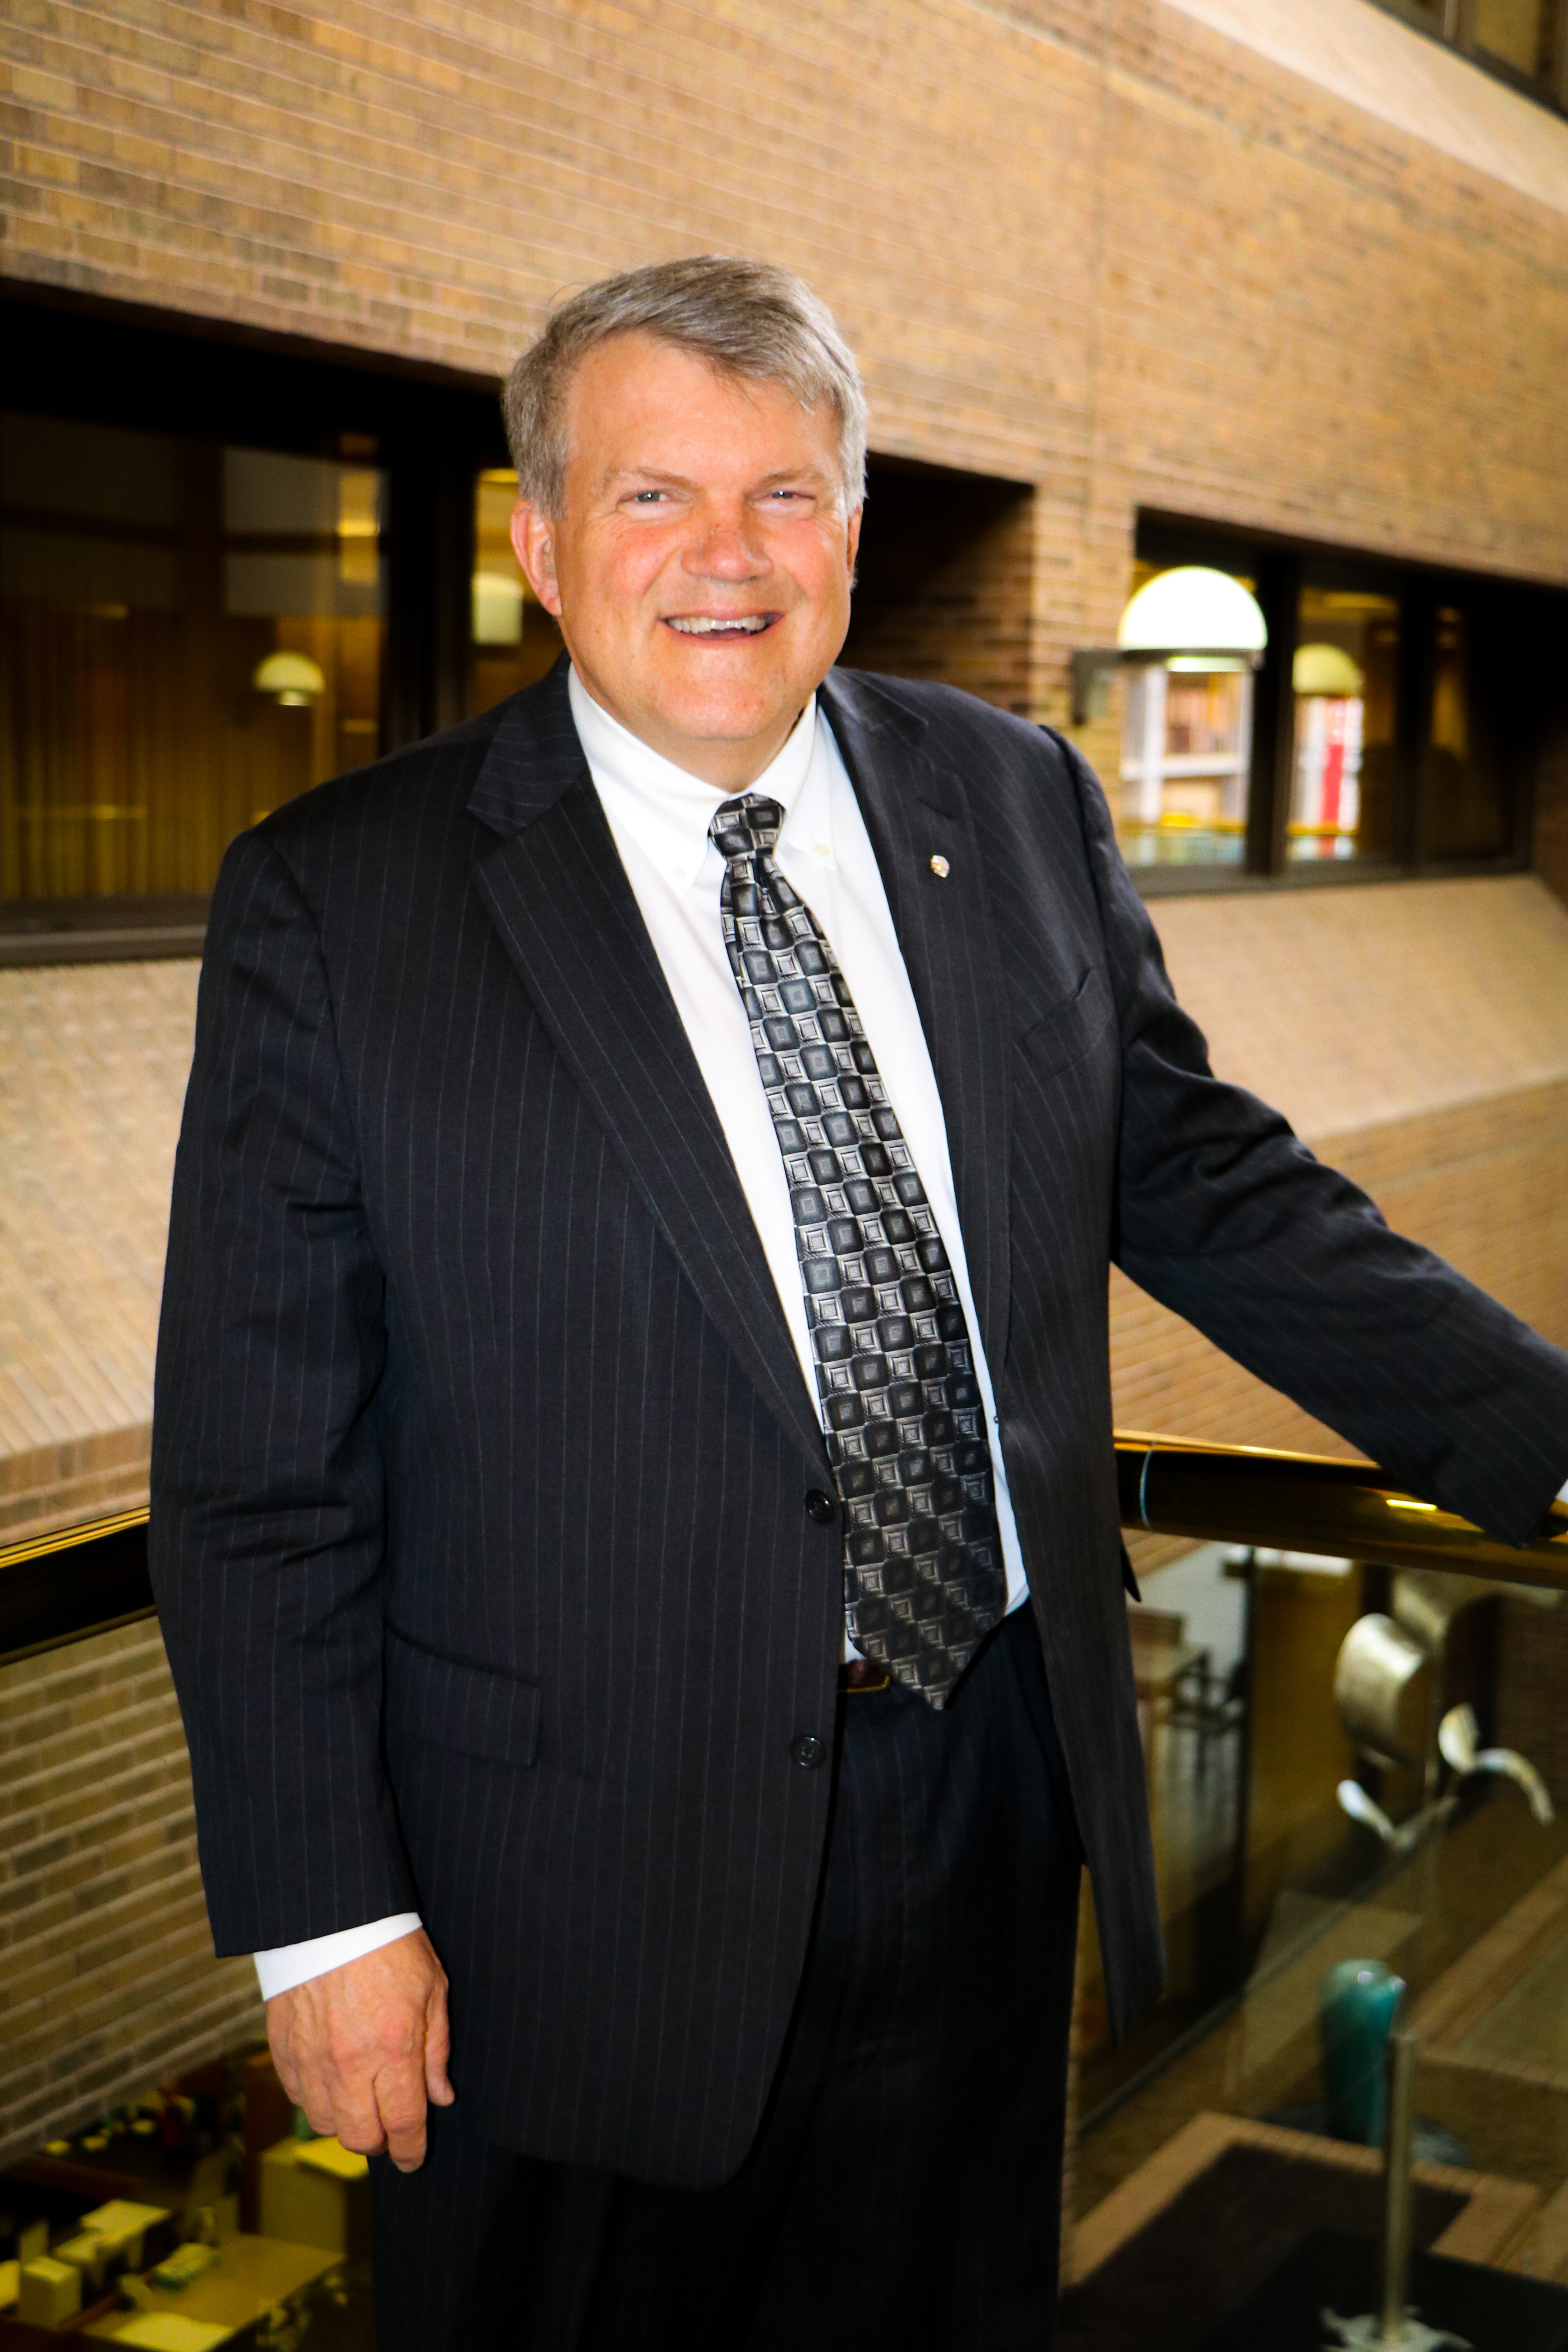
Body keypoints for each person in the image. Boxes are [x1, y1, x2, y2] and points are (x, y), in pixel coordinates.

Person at [150, 256, 1568, 2350]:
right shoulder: (341, 899)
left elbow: (1193, 1177)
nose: (726, 558)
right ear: (542, 542)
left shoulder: (1009, 803)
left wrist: (1543, 1426)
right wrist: (326, 1917)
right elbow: (261, 1469)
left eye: (783, 495)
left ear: (852, 524)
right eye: (653, 499)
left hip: (990, 1790)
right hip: (568, 1893)